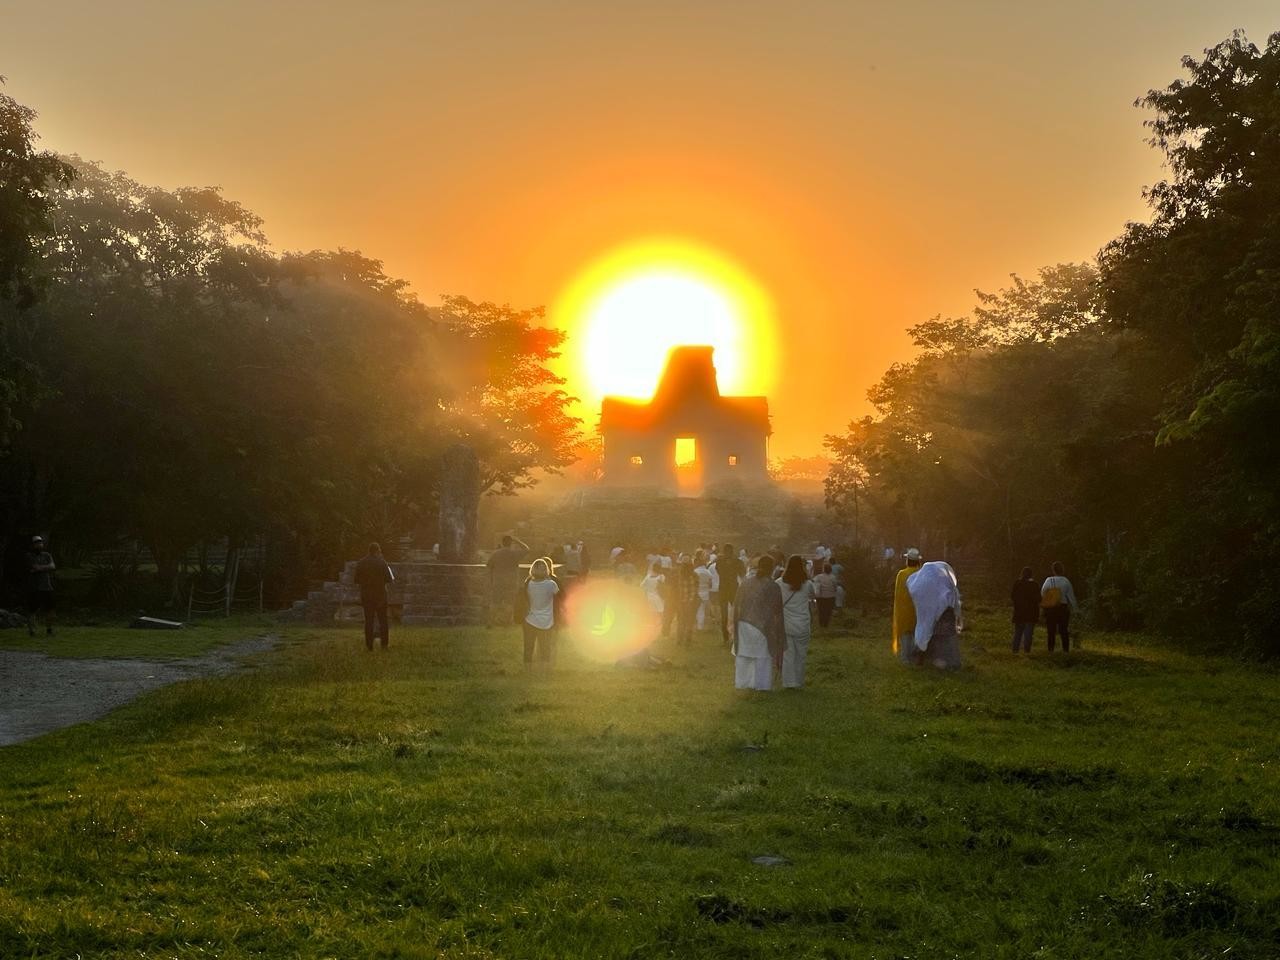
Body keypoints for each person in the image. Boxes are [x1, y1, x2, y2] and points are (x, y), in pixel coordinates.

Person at [733, 555, 785, 691]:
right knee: (763, 656)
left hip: (744, 623)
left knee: (744, 655)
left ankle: (742, 684)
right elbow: (777, 610)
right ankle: (762, 685)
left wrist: (733, 623)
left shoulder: (746, 583)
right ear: (772, 569)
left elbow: (736, 604)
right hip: (764, 626)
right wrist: (778, 632)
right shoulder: (773, 586)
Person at [907, 561, 964, 669]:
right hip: (944, 614)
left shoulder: (927, 582)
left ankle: (931, 660)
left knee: (928, 633)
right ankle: (945, 662)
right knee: (940, 637)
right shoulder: (940, 583)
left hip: (938, 615)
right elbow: (952, 599)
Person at [776, 554, 817, 688]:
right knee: (801, 654)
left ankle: (788, 682)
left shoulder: (779, 583)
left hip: (786, 624)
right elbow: (813, 598)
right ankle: (799, 681)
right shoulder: (808, 584)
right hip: (803, 623)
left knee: (788, 655)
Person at [518, 557, 560, 669]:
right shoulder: (551, 584)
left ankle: (527, 671)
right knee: (545, 647)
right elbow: (560, 598)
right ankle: (544, 671)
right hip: (547, 621)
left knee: (528, 646)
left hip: (529, 619)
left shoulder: (528, 583)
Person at [353, 542, 394, 651]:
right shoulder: (382, 563)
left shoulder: (361, 563)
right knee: (383, 620)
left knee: (369, 621)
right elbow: (389, 579)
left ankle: (369, 645)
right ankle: (384, 644)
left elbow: (356, 580)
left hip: (366, 595)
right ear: (377, 551)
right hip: (380, 595)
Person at [486, 534, 528, 626]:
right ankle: (506, 622)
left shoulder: (495, 554)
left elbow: (489, 566)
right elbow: (527, 549)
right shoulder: (514, 554)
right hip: (511, 581)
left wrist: (491, 579)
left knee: (495, 602)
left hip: (498, 581)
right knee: (509, 602)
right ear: (510, 543)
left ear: (502, 543)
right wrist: (517, 541)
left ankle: (491, 621)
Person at [892, 548, 923, 662]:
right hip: (918, 609)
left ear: (907, 560)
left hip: (905, 608)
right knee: (917, 633)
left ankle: (906, 658)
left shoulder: (902, 574)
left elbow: (898, 593)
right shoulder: (921, 573)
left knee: (906, 634)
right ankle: (916, 657)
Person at [1041, 561, 1079, 652]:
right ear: (1062, 570)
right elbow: (1071, 596)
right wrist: (1076, 609)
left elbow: (1042, 592)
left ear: (1053, 570)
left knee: (1051, 631)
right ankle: (1065, 650)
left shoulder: (1049, 580)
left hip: (1051, 609)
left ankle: (1051, 650)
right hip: (1063, 608)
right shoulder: (1066, 581)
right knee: (1064, 630)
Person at [25, 535, 56, 637]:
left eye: (40, 542)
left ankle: (49, 630)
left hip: (47, 587)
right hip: (34, 588)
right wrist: (46, 567)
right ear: (32, 545)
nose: (39, 544)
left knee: (50, 609)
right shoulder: (29, 556)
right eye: (36, 543)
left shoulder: (47, 555)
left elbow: (52, 566)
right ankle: (32, 631)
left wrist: (40, 568)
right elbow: (34, 567)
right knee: (32, 610)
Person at [716, 543, 745, 644]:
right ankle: (735, 636)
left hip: (723, 589)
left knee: (724, 615)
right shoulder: (737, 562)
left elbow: (718, 571)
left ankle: (725, 638)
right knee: (736, 614)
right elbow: (742, 574)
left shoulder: (719, 562)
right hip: (733, 588)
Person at [1011, 566, 1040, 653]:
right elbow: (1038, 598)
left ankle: (1015, 650)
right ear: (1031, 575)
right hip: (1031, 613)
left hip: (1019, 612)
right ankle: (1027, 651)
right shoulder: (1034, 585)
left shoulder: (1017, 583)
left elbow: (1012, 596)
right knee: (1028, 634)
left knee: (1018, 633)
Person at [674, 554, 700, 646]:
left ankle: (679, 640)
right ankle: (687, 640)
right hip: (690, 602)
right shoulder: (693, 575)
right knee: (689, 621)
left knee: (681, 621)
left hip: (681, 601)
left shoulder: (679, 574)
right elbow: (694, 589)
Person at [640, 560, 666, 633]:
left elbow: (641, 585)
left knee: (653, 611)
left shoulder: (648, 576)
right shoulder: (661, 576)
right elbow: (663, 585)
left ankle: (654, 625)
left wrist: (647, 589)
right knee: (661, 610)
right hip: (658, 596)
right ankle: (662, 624)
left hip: (649, 596)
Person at [812, 562, 838, 628]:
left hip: (821, 597)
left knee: (821, 611)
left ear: (823, 569)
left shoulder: (819, 576)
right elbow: (835, 587)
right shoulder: (833, 577)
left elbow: (813, 581)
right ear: (830, 569)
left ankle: (821, 624)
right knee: (828, 611)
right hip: (831, 597)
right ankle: (826, 624)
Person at [692, 550, 713, 630]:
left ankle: (699, 626)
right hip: (706, 593)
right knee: (704, 609)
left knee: (698, 610)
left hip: (697, 593)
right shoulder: (708, 572)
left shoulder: (695, 572)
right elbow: (710, 584)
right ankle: (703, 626)